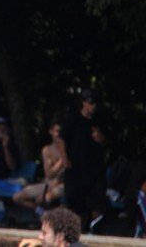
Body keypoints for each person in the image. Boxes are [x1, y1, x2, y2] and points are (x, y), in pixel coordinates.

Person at [60, 88, 107, 227]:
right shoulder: (72, 118)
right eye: (90, 102)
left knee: (97, 200)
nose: (93, 106)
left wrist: (100, 138)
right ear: (83, 102)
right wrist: (64, 157)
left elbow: (108, 142)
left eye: (95, 103)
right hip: (75, 166)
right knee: (75, 200)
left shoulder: (99, 120)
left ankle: (95, 227)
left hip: (94, 168)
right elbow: (62, 138)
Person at [14, 119, 67, 215]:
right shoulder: (47, 150)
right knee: (17, 197)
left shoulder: (69, 149)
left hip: (63, 184)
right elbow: (49, 174)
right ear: (51, 132)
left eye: (61, 132)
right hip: (48, 183)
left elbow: (63, 176)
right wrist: (62, 160)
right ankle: (41, 212)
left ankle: (55, 219)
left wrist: (63, 155)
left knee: (47, 197)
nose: (58, 134)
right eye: (56, 131)